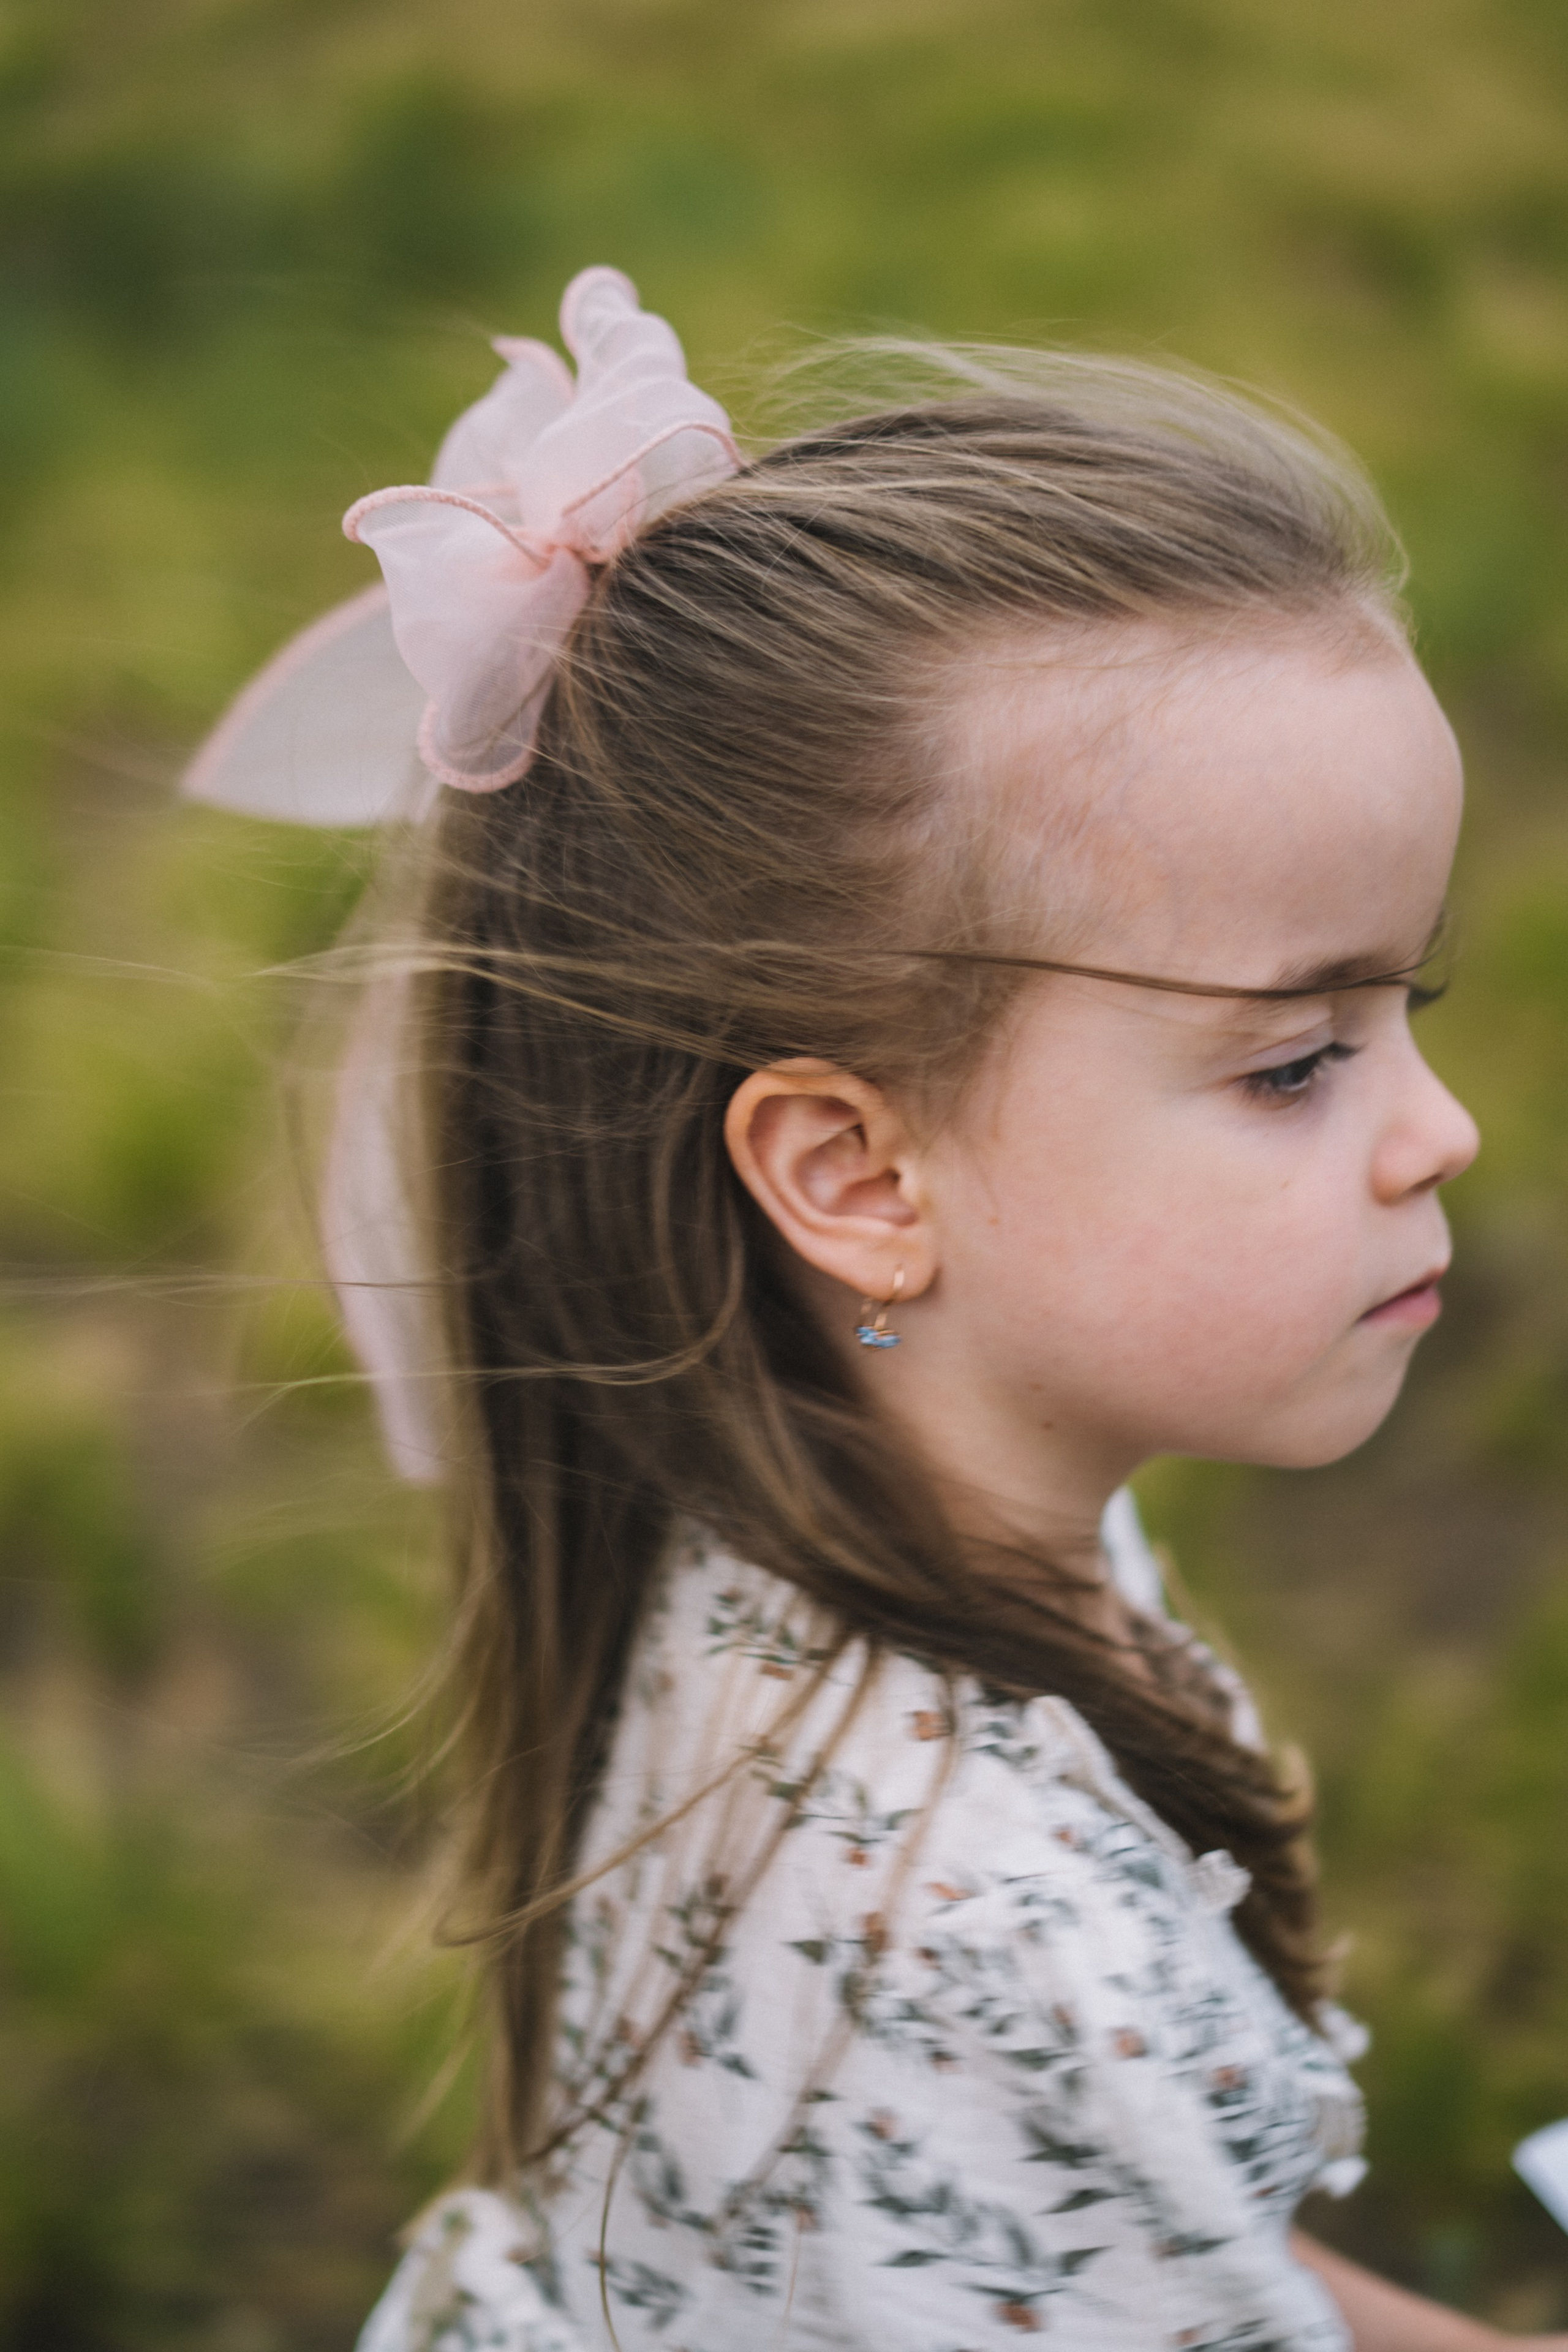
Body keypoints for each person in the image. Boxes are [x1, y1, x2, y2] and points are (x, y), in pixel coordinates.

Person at [187, 268, 1566, 2352]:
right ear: (856, 1179)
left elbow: (1143, 2238)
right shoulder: (958, 1940)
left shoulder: (883, 1466)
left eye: (1408, 1014)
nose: (1441, 1133)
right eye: (1299, 1063)